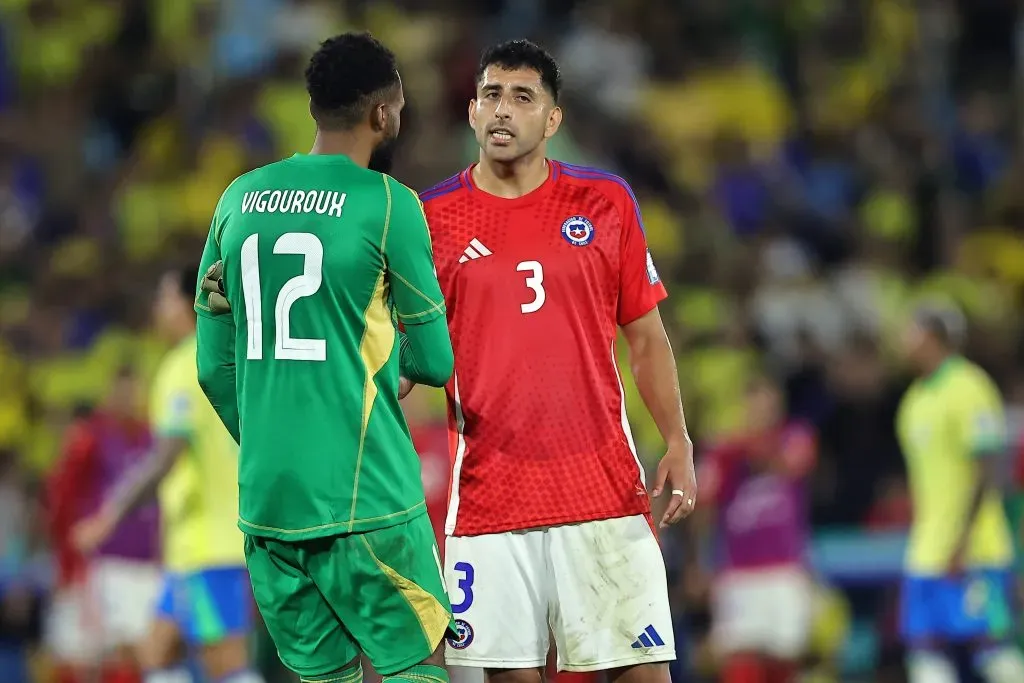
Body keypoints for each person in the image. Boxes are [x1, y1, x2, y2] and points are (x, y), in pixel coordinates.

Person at [414, 39, 696, 682]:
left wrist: (677, 440)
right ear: (471, 112)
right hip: (489, 502)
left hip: (601, 491)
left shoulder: (606, 202)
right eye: (491, 95)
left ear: (553, 118)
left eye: (523, 97)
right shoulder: (428, 220)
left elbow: (646, 338)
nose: (504, 110)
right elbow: (404, 355)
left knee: (644, 674)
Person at [192, 32, 456, 683]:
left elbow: (209, 365)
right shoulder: (389, 203)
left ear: (312, 108)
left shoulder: (238, 200)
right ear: (384, 114)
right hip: (365, 492)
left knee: (323, 675)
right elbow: (435, 360)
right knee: (415, 660)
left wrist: (272, 435)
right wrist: (374, 377)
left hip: (268, 499)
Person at [73, 268, 262, 683]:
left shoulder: (184, 364)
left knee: (226, 663)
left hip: (208, 546)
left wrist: (109, 515)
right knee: (157, 651)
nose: (157, 310)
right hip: (202, 544)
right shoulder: (233, 357)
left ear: (187, 302)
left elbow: (167, 455)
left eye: (163, 299)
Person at [896, 302, 1024, 683]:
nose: (903, 340)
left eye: (911, 330)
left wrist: (963, 539)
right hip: (926, 550)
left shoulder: (969, 386)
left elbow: (991, 467)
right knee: (924, 653)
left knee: (991, 650)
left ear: (932, 335)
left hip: (975, 548)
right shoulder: (914, 400)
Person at [696, 374, 816, 683]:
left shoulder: (796, 437)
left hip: (784, 569)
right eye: (755, 403)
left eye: (768, 403)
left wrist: (738, 445)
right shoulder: (722, 456)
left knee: (786, 658)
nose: (762, 411)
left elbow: (790, 464)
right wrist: (699, 563)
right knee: (739, 658)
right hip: (738, 573)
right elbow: (703, 505)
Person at [47, 369, 161, 683]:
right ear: (111, 396)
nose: (128, 400)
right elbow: (62, 497)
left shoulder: (156, 439)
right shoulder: (93, 439)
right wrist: (68, 558)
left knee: (144, 653)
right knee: (100, 652)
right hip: (106, 562)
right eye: (122, 393)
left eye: (133, 393)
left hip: (148, 563)